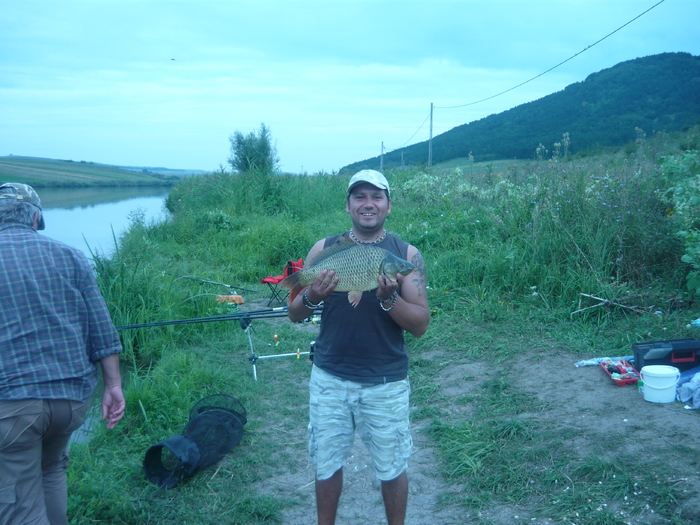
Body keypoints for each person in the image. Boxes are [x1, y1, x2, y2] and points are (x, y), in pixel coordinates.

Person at [287, 169, 429, 525]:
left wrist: (388, 300)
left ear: (388, 205)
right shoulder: (323, 249)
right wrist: (313, 296)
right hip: (329, 378)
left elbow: (420, 325)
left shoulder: (407, 255)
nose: (368, 204)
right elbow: (294, 313)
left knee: (392, 466)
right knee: (326, 462)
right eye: (360, 197)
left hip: (385, 382)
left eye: (376, 197)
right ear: (348, 205)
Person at [0, 182, 126, 525]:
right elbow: (102, 329)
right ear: (37, 218)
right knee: (52, 470)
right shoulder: (70, 255)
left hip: (12, 406)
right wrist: (113, 386)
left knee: (18, 498)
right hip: (70, 402)